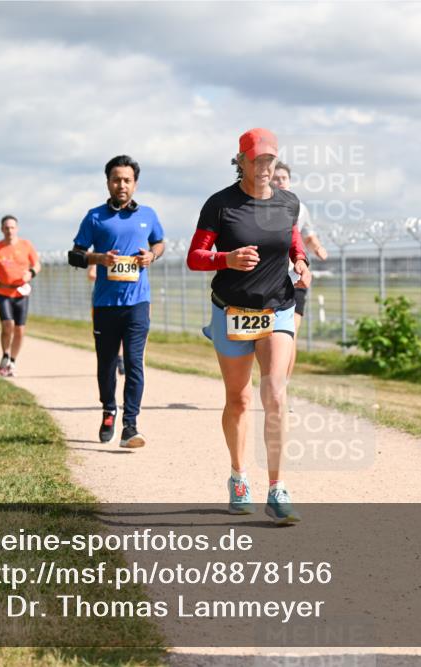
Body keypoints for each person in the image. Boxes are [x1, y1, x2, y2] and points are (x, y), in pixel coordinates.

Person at [187, 128, 311, 524]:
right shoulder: (220, 205)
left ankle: (278, 488)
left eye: (270, 160)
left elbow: (292, 242)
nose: (264, 166)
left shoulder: (289, 203)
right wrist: (226, 259)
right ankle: (239, 477)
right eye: (256, 159)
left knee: (274, 391)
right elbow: (195, 257)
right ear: (240, 160)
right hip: (231, 310)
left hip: (277, 308)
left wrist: (302, 262)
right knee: (238, 399)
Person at [69, 155, 164, 446]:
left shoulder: (148, 214)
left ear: (135, 183)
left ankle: (130, 426)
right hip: (106, 304)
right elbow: (74, 255)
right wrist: (99, 258)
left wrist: (152, 255)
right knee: (107, 364)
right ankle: (109, 409)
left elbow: (159, 243)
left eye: (127, 180)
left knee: (134, 363)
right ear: (108, 182)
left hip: (138, 303)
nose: (121, 185)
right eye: (116, 179)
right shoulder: (95, 216)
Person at [270, 161, 329, 380]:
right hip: (266, 279)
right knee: (264, 337)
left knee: (289, 334)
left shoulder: (299, 207)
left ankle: (282, 386)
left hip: (295, 277)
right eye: (275, 178)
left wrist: (318, 248)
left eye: (283, 178)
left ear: (290, 181)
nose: (280, 182)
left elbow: (308, 236)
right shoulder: (258, 206)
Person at [0, 215, 40, 378]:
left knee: (20, 330)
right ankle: (5, 355)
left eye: (12, 227)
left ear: (16, 229)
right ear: (2, 229)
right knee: (7, 324)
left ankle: (12, 361)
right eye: (6, 228)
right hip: (3, 291)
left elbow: (37, 264)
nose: (9, 230)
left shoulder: (26, 245)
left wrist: (30, 273)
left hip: (21, 291)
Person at [88, 264, 124, 376]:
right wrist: (107, 276)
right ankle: (112, 359)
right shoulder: (99, 253)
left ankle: (120, 358)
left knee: (123, 328)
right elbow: (91, 274)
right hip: (103, 296)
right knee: (107, 332)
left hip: (121, 294)